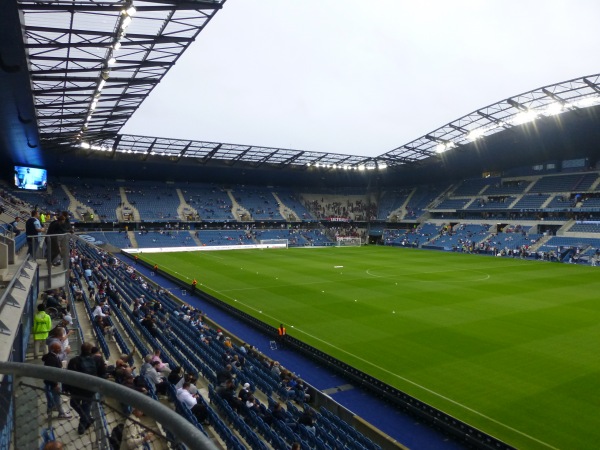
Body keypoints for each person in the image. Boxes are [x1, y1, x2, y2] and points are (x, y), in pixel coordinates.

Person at [66, 342, 106, 434]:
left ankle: (82, 425)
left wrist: (67, 388)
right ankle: (86, 419)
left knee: (75, 404)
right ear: (91, 350)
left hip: (77, 389)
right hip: (89, 389)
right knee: (85, 406)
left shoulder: (73, 361)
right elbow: (103, 374)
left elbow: (68, 376)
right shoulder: (98, 359)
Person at [42, 342, 72, 419]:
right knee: (56, 397)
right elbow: (52, 373)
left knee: (52, 397)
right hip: (52, 383)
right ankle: (61, 413)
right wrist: (55, 384)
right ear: (53, 349)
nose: (60, 349)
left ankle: (53, 409)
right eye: (58, 348)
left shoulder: (51, 356)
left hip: (50, 382)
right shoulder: (52, 359)